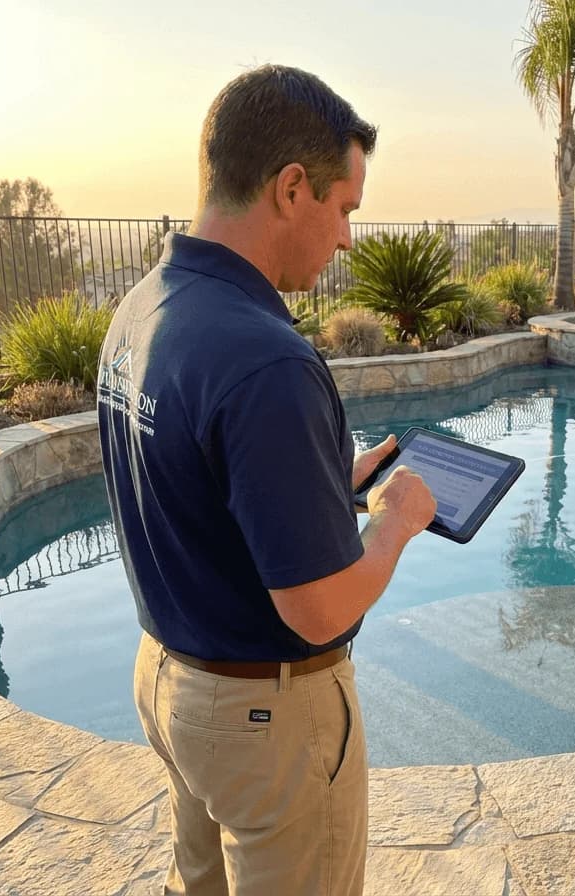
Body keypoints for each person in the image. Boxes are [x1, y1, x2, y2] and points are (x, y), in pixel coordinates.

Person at [97, 65, 436, 896]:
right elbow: (317, 609)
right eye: (345, 208)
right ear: (292, 188)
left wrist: (328, 484)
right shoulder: (266, 358)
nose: (349, 238)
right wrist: (392, 525)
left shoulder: (144, 308)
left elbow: (194, 485)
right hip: (264, 720)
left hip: (174, 686)